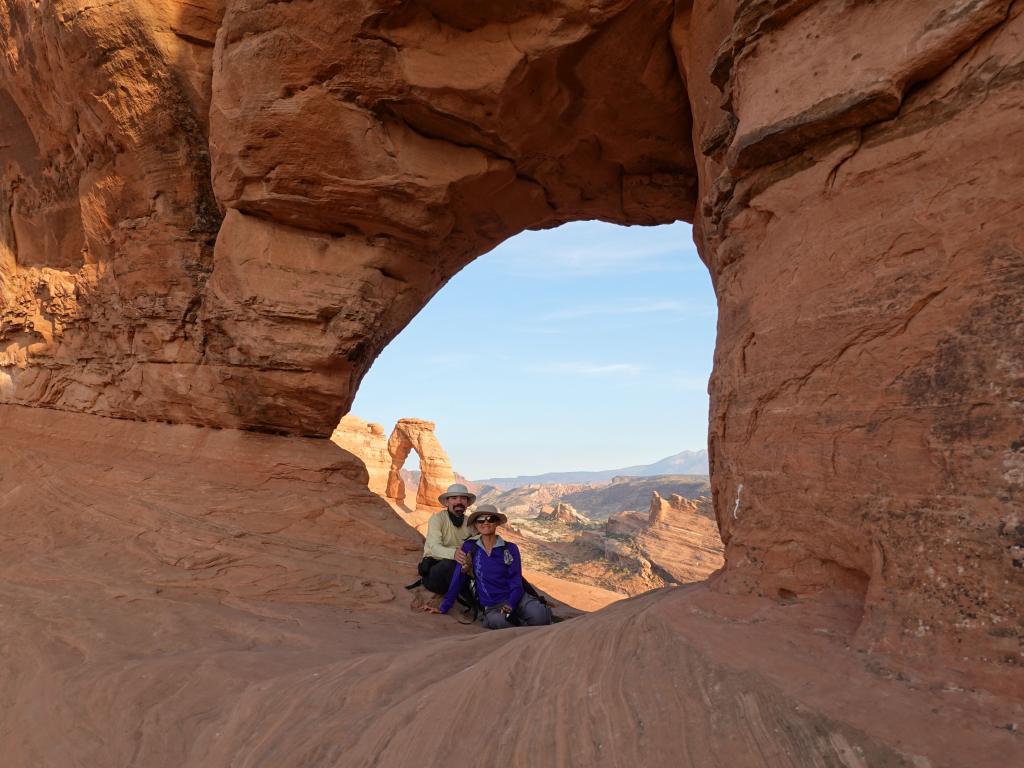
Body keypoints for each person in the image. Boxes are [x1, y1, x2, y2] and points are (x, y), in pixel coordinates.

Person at [433, 503, 552, 630]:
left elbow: (516, 581)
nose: (485, 522)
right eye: (480, 520)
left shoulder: (510, 548)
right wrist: (443, 607)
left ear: (496, 523)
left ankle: (530, 615)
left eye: (490, 519)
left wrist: (511, 604)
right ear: (476, 525)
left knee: (540, 617)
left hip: (517, 599)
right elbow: (458, 578)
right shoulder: (470, 548)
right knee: (501, 623)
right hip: (493, 606)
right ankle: (522, 625)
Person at [419, 483, 476, 595]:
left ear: (467, 503)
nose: (459, 502)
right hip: (437, 570)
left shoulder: (470, 523)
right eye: (454, 498)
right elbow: (434, 547)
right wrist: (454, 554)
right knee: (450, 565)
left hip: (461, 567)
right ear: (447, 502)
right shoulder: (437, 519)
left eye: (463, 498)